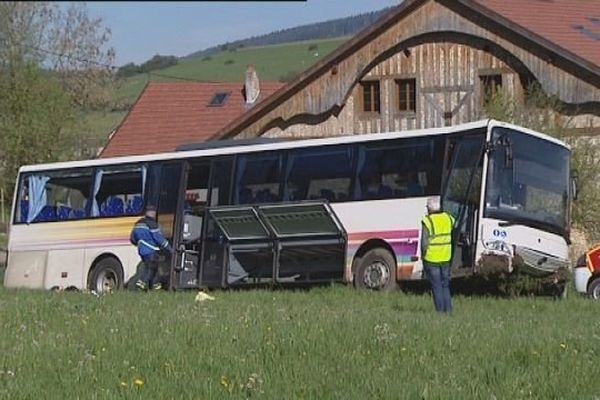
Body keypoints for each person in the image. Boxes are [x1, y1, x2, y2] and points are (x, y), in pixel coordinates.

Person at [421, 197, 455, 313]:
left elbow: (424, 243)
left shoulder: (428, 221)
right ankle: (448, 310)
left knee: (436, 286)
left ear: (429, 208)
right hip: (446, 258)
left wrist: (423, 256)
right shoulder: (448, 218)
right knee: (445, 285)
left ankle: (440, 312)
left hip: (432, 259)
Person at [130, 205, 173, 291]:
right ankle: (140, 284)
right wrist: (169, 248)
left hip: (142, 251)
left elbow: (132, 238)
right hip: (151, 250)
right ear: (153, 213)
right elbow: (158, 238)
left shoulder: (138, 223)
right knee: (151, 269)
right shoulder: (152, 224)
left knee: (153, 269)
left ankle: (155, 288)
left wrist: (139, 244)